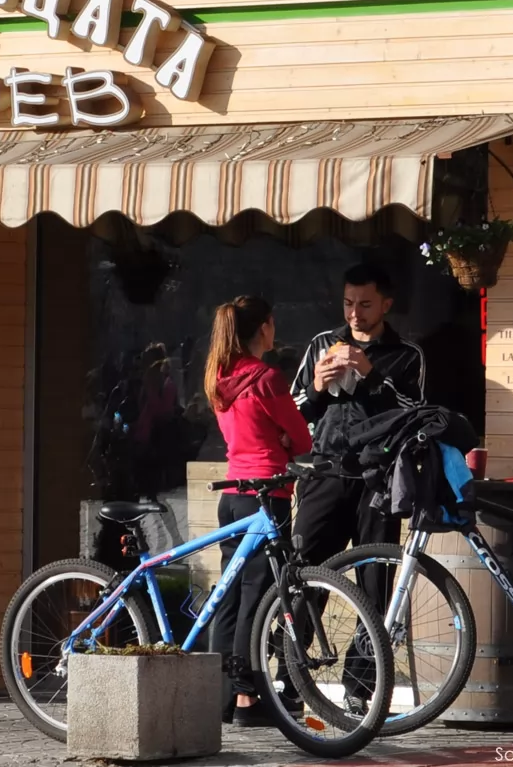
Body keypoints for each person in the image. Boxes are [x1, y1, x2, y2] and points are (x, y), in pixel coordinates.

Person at [289, 263, 426, 713]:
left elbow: (414, 414)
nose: (355, 313)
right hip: (325, 474)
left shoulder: (407, 354)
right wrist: (317, 388)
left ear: (386, 304)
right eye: (348, 303)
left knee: (374, 581)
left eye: (365, 304)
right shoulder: (320, 345)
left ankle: (360, 686)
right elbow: (293, 413)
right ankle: (289, 674)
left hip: (378, 481)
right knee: (304, 572)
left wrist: (370, 374)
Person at [204, 296, 312, 727]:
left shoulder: (219, 376)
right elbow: (301, 438)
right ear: (265, 327)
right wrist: (284, 443)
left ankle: (221, 696)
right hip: (267, 495)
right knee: (258, 593)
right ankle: (248, 697)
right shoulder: (266, 378)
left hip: (232, 494)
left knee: (228, 593)